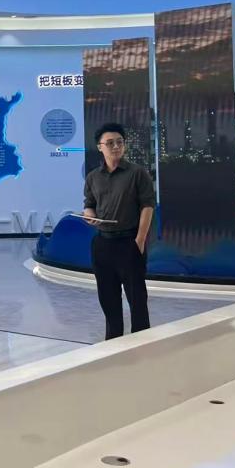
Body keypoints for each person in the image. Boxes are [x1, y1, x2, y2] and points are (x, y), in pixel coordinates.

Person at [83, 122, 156, 340]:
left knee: (137, 300)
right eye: (110, 143)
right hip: (102, 244)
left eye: (119, 142)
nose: (116, 146)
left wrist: (140, 240)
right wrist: (89, 214)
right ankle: (113, 345)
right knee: (108, 300)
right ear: (100, 147)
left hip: (129, 242)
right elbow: (89, 204)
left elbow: (147, 206)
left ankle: (141, 345)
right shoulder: (93, 177)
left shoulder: (137, 173)